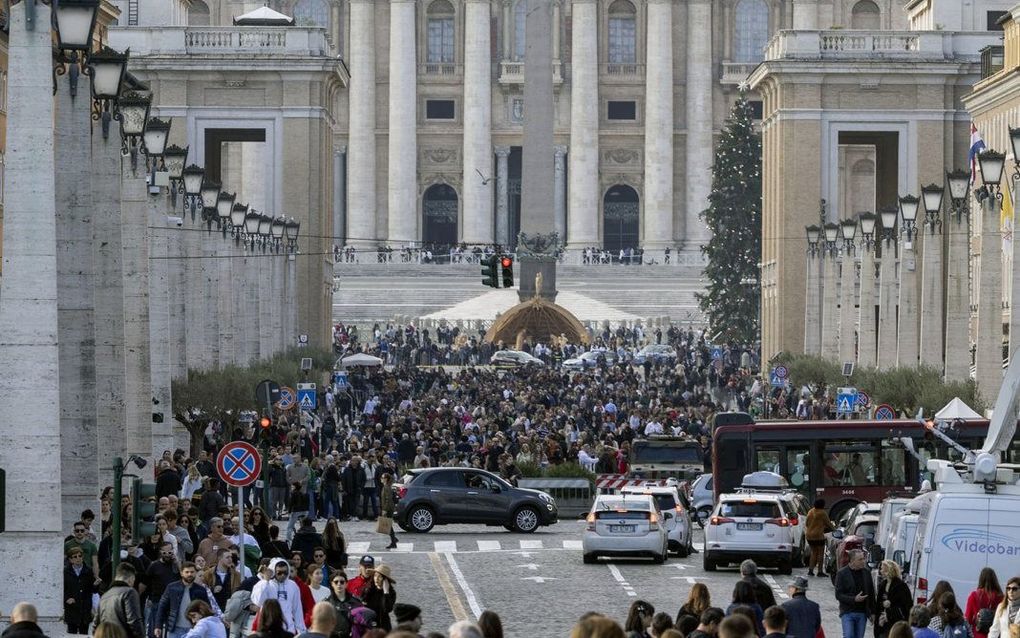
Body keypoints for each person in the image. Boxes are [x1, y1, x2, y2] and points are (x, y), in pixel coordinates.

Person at [250, 558, 306, 635]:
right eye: (279, 573)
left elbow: (297, 610)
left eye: (285, 572)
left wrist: (301, 631)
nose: (283, 575)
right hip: (268, 629)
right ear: (273, 572)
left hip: (288, 630)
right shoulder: (265, 584)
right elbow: (258, 601)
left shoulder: (293, 586)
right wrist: (265, 580)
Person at [94, 562, 145, 638]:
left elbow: (96, 625)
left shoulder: (105, 595)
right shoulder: (129, 592)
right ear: (131, 579)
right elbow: (134, 621)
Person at [835, 549, 875, 638]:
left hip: (862, 613)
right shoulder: (842, 573)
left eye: (863, 559)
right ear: (852, 561)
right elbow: (838, 595)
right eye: (860, 559)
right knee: (849, 635)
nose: (863, 561)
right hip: (847, 612)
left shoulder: (866, 573)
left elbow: (871, 593)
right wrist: (854, 599)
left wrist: (873, 612)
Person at [64, 546, 98, 635]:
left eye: (80, 556)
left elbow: (92, 590)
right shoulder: (66, 572)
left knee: (84, 633)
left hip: (85, 609)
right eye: (75, 557)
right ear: (70, 560)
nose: (78, 558)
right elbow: (62, 589)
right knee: (71, 634)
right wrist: (66, 598)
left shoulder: (88, 571)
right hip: (72, 608)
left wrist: (95, 584)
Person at [877, 560, 913, 638]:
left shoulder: (901, 586)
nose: (880, 571)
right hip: (882, 623)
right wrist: (882, 604)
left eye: (882, 569)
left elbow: (906, 606)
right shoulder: (883, 584)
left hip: (896, 623)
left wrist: (889, 613)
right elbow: (878, 602)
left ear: (888, 570)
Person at [966, 568, 1004, 638]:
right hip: (996, 634)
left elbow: (968, 619)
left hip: (977, 634)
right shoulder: (1001, 597)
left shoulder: (973, 595)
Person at [326, 570, 363, 638]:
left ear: (346, 584)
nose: (339, 584)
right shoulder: (326, 604)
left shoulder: (356, 602)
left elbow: (362, 623)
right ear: (332, 584)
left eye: (342, 582)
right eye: (336, 582)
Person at [804, 499, 835, 577]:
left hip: (809, 535)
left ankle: (810, 570)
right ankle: (820, 571)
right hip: (818, 536)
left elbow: (807, 523)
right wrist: (835, 529)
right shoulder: (822, 513)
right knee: (820, 553)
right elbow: (828, 524)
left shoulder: (810, 511)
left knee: (813, 552)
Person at [362, 564, 396, 632]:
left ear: (385, 580)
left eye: (379, 577)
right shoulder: (367, 590)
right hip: (369, 626)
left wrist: (386, 592)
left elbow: (387, 609)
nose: (376, 579)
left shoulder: (391, 593)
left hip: (384, 627)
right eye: (375, 576)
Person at [378, 473, 399, 550]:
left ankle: (393, 541)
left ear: (386, 479)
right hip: (389, 508)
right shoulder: (386, 487)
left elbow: (388, 499)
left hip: (388, 508)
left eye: (382, 477)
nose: (381, 478)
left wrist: (385, 510)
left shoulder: (386, 487)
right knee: (388, 525)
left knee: (388, 525)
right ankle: (394, 540)